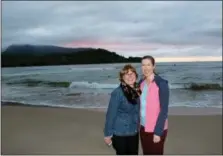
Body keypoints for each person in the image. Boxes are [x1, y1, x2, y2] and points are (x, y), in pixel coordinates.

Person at [103, 64, 141, 155]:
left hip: (134, 131)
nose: (130, 76)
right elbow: (110, 115)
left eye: (132, 73)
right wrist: (107, 134)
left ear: (136, 75)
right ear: (122, 78)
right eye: (126, 74)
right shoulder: (117, 93)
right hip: (120, 133)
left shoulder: (137, 90)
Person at [139, 55, 170, 155]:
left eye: (148, 64)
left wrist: (158, 132)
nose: (146, 68)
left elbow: (164, 110)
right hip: (143, 127)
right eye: (143, 65)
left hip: (157, 129)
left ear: (154, 66)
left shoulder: (161, 84)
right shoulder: (141, 83)